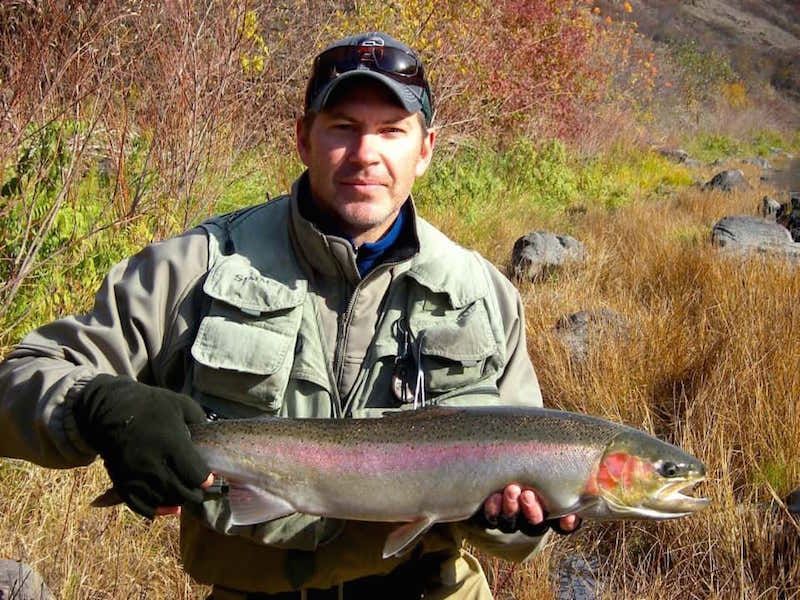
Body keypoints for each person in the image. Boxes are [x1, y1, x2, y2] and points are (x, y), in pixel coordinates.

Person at [0, 32, 578, 599]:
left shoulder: (487, 295)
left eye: (392, 131)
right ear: (304, 139)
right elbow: (21, 378)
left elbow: (523, 514)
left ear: (425, 149)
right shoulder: (198, 266)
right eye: (343, 128)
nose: (366, 154)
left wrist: (514, 528)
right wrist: (101, 407)